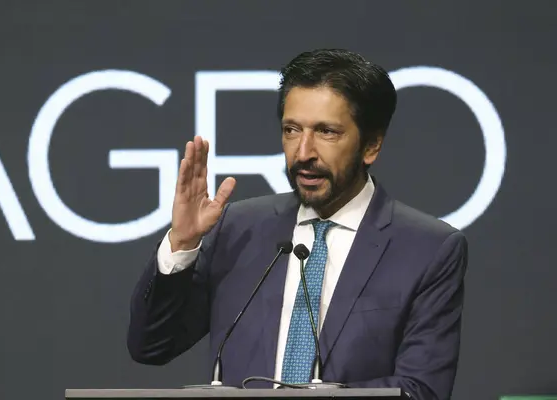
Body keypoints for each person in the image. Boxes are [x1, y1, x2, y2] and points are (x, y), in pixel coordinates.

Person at [127, 49, 468, 400]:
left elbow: (422, 390)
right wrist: (182, 244)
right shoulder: (238, 228)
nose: (303, 152)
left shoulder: (427, 249)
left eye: (327, 132)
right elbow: (151, 346)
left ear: (371, 145)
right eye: (292, 130)